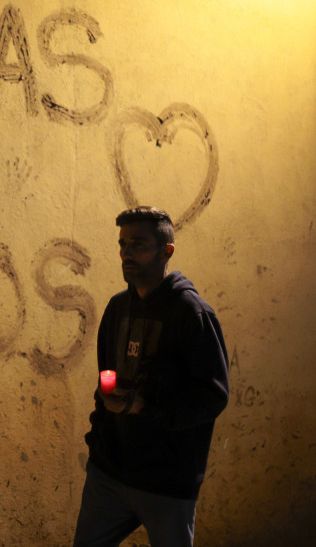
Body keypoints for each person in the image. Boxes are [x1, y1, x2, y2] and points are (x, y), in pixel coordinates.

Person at [73, 207, 229, 547]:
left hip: (167, 483)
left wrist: (145, 406)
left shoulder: (192, 313)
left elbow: (213, 395)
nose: (126, 253)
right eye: (122, 244)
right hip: (109, 474)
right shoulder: (117, 308)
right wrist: (100, 438)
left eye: (138, 244)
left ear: (166, 251)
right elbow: (106, 378)